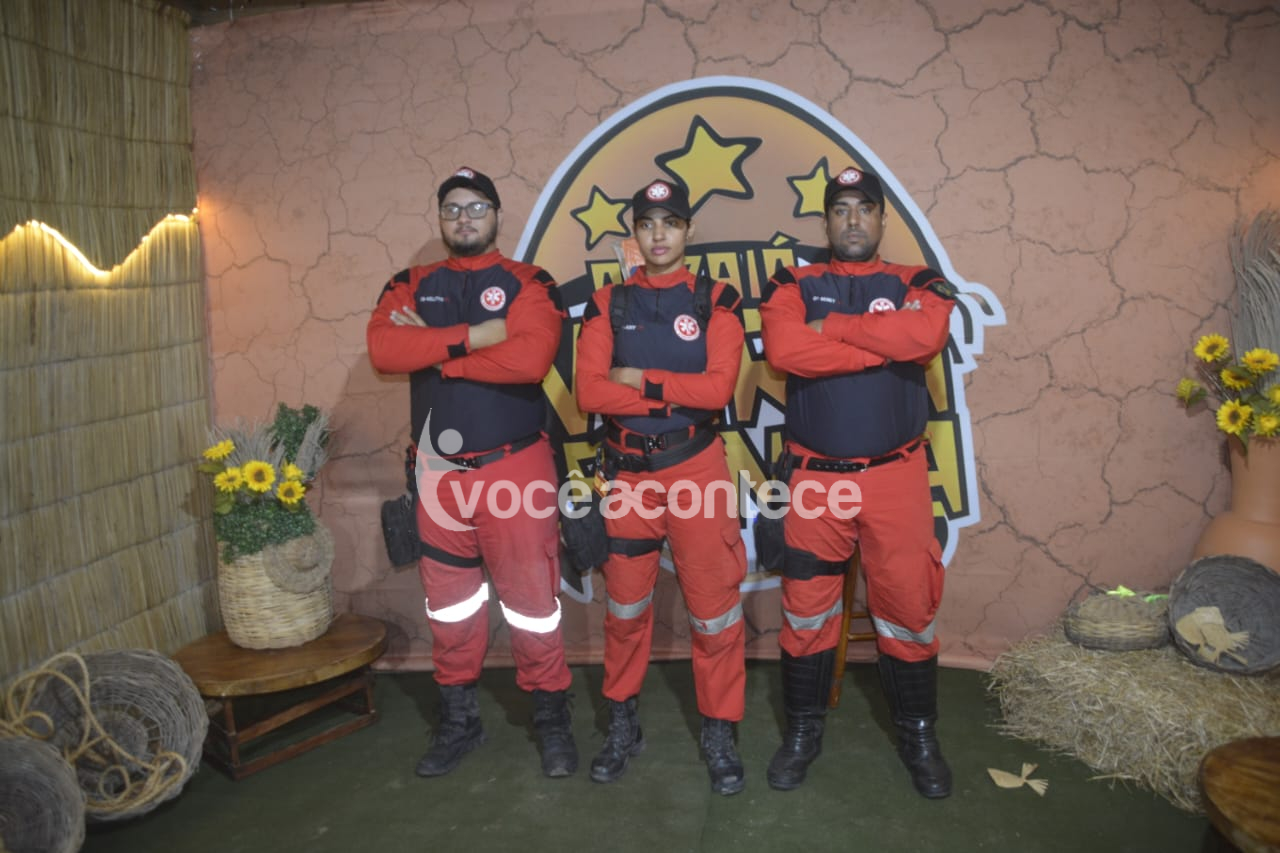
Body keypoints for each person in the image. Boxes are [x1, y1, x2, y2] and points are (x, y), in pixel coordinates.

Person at [366, 167, 578, 779]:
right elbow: (385, 350)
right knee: (450, 608)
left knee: (533, 604)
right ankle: (459, 721)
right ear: (440, 218)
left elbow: (530, 359)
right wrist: (478, 336)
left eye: (477, 207)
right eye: (452, 209)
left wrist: (437, 352)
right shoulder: (409, 284)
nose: (464, 218)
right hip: (437, 478)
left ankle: (552, 719)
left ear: (497, 215)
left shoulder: (530, 282)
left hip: (514, 469)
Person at [758, 166, 958, 799]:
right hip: (816, 482)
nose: (853, 220)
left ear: (881, 218)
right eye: (841, 209)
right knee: (805, 612)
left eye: (864, 209)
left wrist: (835, 330)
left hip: (896, 478)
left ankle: (919, 736)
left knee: (908, 611)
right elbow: (786, 352)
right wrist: (886, 344)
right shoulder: (793, 282)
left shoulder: (916, 281)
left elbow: (926, 333)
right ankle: (802, 733)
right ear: (826, 221)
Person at [574, 179, 749, 795]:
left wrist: (639, 379)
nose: (658, 235)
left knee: (715, 611)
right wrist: (673, 391)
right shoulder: (607, 303)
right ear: (634, 232)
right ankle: (623, 724)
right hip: (626, 476)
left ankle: (720, 731)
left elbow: (717, 392)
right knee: (624, 610)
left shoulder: (717, 299)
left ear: (688, 230)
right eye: (646, 223)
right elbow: (590, 392)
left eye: (670, 223)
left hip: (696, 469)